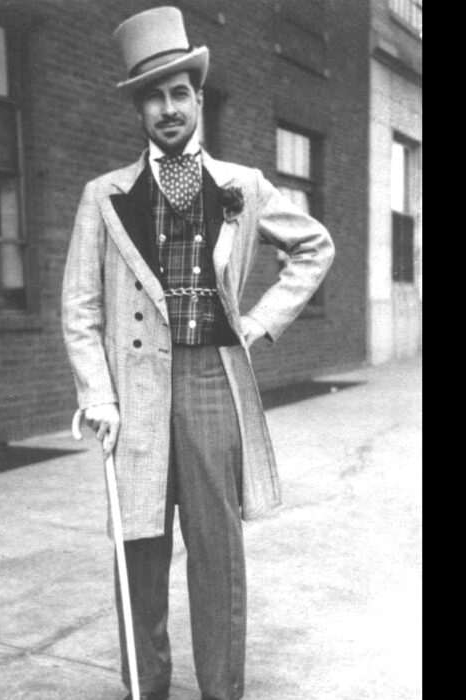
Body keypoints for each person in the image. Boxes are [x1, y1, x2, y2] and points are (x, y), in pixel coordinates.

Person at [62, 7, 335, 700]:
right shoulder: (104, 197)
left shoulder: (241, 185)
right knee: (140, 550)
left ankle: (221, 690)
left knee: (218, 553)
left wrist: (259, 323)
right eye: (153, 96)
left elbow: (313, 246)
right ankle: (145, 688)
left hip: (212, 378)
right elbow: (81, 309)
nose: (167, 108)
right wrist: (97, 392)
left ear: (197, 98)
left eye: (179, 92)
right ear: (139, 108)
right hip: (135, 390)